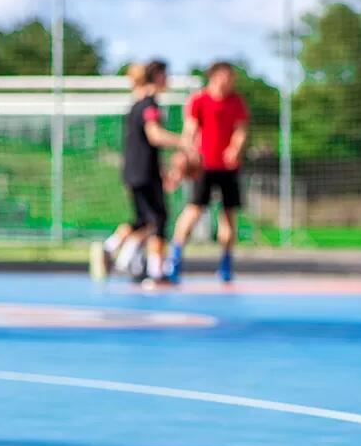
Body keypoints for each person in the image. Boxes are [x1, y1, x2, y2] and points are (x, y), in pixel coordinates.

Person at [90, 60, 189, 284]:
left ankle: (115, 250)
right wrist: (182, 142)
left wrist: (161, 170)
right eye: (166, 74)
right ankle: (155, 272)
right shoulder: (149, 105)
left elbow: (146, 145)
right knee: (157, 219)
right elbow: (154, 136)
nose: (169, 79)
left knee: (144, 219)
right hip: (143, 172)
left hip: (137, 170)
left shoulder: (137, 104)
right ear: (157, 77)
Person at [167, 61, 249, 283]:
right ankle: (174, 259)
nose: (228, 81)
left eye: (231, 77)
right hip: (203, 167)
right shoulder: (200, 100)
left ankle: (226, 263)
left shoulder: (236, 102)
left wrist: (234, 148)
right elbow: (190, 130)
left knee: (228, 216)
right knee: (193, 210)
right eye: (224, 76)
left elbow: (240, 131)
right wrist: (186, 157)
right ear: (214, 77)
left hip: (228, 168)